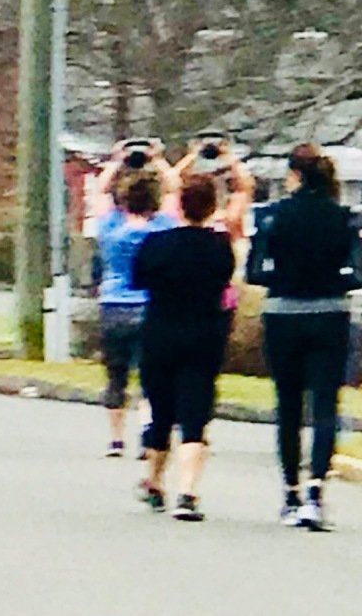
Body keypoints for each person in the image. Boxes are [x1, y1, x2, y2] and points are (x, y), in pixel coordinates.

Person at [258, 145, 356, 531]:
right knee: (326, 405)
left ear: (294, 175)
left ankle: (290, 492)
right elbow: (357, 272)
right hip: (330, 312)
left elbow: (257, 272)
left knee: (288, 406)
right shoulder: (343, 219)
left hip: (284, 313)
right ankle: (316, 492)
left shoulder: (273, 217)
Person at [132, 176, 236, 522]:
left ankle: (155, 481)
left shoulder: (156, 243)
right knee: (195, 416)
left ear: (179, 205)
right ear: (212, 207)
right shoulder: (220, 247)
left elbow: (139, 280)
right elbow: (224, 284)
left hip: (160, 333)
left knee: (161, 412)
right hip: (203, 336)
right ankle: (188, 492)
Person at [90, 143, 181, 457]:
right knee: (149, 374)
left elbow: (100, 194)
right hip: (150, 306)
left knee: (116, 376)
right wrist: (157, 159)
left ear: (124, 199)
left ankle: (116, 439)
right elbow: (175, 190)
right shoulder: (162, 228)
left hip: (113, 305)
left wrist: (117, 161)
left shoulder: (111, 226)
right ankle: (147, 428)